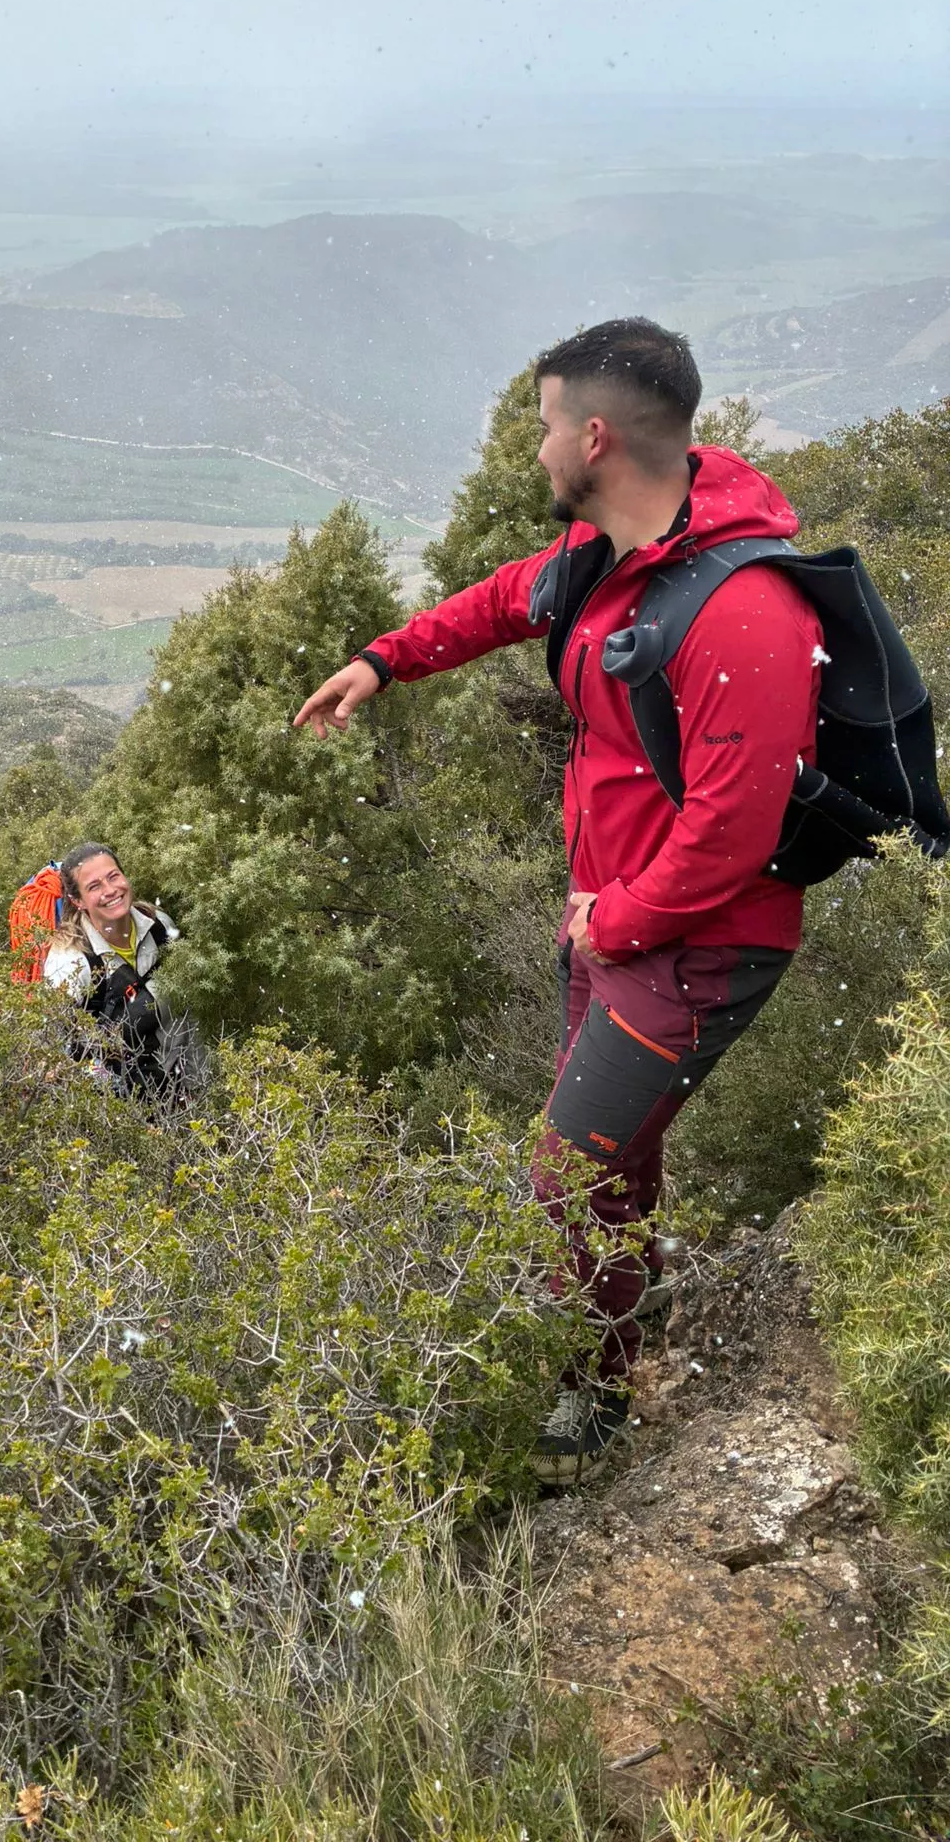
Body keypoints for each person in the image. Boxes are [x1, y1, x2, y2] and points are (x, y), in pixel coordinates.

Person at [294, 318, 824, 1486]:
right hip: (614, 925)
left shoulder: (743, 609)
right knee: (613, 1155)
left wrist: (616, 920)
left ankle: (594, 1391)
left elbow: (733, 833)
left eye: (543, 426)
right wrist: (385, 658)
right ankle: (626, 1317)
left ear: (594, 438)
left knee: (566, 1171)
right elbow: (501, 601)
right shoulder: (607, 554)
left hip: (699, 944)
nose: (534, 449)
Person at [42, 842, 185, 1094]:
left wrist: (198, 1087)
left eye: (113, 876)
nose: (110, 890)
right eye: (94, 886)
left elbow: (189, 1015)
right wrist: (112, 1100)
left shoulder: (159, 927)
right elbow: (50, 1052)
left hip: (178, 1085)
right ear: (77, 900)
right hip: (114, 1102)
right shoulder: (70, 963)